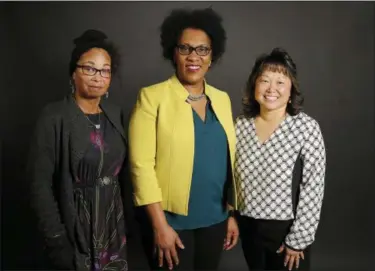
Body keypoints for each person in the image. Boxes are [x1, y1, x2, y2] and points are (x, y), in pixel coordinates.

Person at [128, 7, 239, 271]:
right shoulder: (151, 97)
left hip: (215, 220)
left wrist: (231, 215)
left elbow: (227, 163)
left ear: (212, 56)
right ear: (173, 53)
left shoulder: (222, 99)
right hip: (170, 224)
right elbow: (140, 166)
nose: (194, 57)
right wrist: (159, 226)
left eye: (203, 50)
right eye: (185, 48)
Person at [27, 29, 128, 271]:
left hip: (113, 222)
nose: (98, 77)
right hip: (75, 224)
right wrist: (56, 239)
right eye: (89, 68)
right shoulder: (54, 117)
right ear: (74, 73)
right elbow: (38, 183)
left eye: (105, 70)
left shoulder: (115, 114)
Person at [234, 47, 326, 271]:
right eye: (264, 80)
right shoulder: (240, 124)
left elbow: (313, 185)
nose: (271, 89)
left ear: (291, 87)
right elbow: (229, 176)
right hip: (248, 227)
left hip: (286, 229)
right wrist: (231, 217)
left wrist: (298, 239)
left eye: (280, 82)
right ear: (254, 84)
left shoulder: (306, 127)